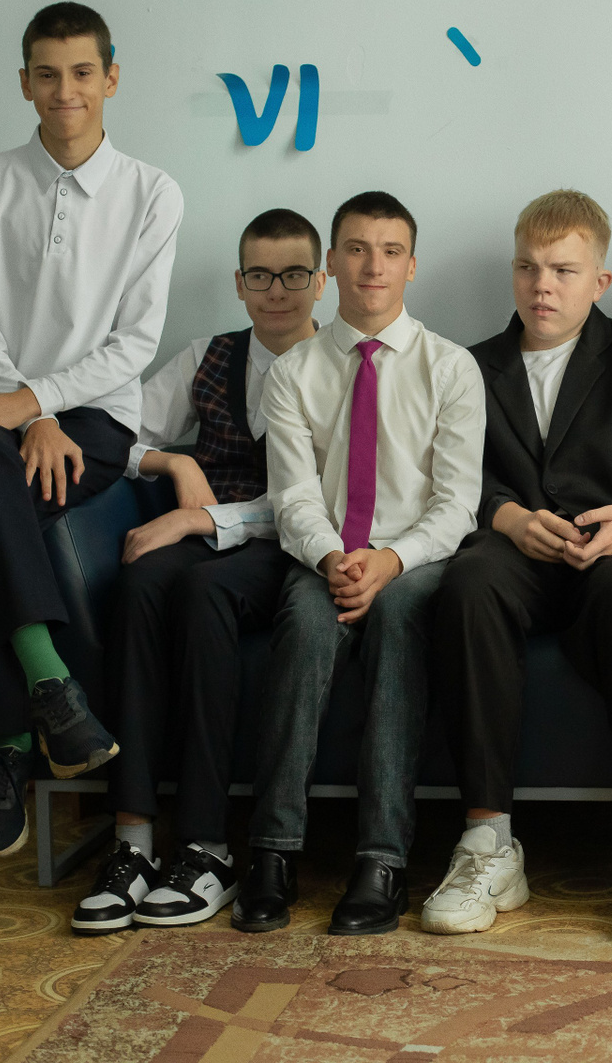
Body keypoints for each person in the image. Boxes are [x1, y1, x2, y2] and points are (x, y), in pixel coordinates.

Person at [423, 190, 612, 942]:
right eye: (528, 268)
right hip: (517, 550)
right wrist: (508, 518)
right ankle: (488, 841)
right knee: (469, 580)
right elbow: (447, 476)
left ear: (600, 282)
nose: (542, 286)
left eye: (563, 270)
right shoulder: (469, 367)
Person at [0, 2, 182, 857]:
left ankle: (8, 741)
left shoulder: (153, 192)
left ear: (111, 78)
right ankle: (51, 691)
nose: (64, 90)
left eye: (81, 73)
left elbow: (134, 343)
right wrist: (24, 408)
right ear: (24, 83)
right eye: (46, 74)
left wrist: (40, 405)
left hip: (98, 415)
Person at [229, 192, 486, 936]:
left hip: (415, 560)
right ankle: (273, 852)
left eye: (390, 251)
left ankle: (382, 861)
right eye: (357, 249)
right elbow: (293, 496)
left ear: (412, 266)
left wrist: (391, 560)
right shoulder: (293, 371)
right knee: (305, 629)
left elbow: (458, 503)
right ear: (332, 266)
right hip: (326, 558)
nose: (374, 265)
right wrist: (335, 556)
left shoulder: (451, 368)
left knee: (402, 617)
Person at [70, 208, 324, 934]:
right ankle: (132, 842)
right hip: (207, 525)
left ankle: (207, 846)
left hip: (290, 543)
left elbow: (321, 499)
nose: (277, 292)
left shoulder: (342, 367)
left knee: (204, 589)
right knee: (141, 579)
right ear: (239, 283)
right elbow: (116, 433)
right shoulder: (208, 356)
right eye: (260, 276)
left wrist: (201, 520)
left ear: (321, 281)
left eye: (294, 275)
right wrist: (173, 463)